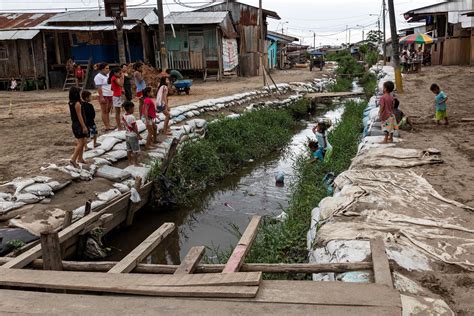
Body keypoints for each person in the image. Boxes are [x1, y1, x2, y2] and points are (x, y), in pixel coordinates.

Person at [68, 86, 88, 168]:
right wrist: (84, 126)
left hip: (75, 124)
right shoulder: (77, 104)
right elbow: (79, 116)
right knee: (80, 143)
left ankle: (80, 158)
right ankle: (73, 159)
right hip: (79, 124)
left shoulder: (70, 102)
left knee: (82, 141)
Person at [94, 63, 114, 131]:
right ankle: (106, 126)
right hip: (104, 95)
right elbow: (99, 88)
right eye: (106, 68)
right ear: (102, 69)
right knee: (104, 111)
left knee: (108, 110)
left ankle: (108, 124)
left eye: (108, 68)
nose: (108, 70)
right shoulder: (98, 77)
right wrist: (101, 97)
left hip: (110, 94)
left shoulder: (108, 75)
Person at [122, 101, 142, 166]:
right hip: (132, 136)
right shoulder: (132, 117)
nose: (134, 110)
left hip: (127, 135)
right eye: (133, 108)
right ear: (130, 108)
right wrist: (138, 135)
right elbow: (134, 128)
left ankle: (130, 162)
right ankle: (136, 163)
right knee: (135, 151)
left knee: (129, 150)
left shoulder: (124, 116)